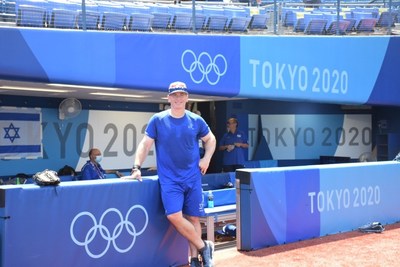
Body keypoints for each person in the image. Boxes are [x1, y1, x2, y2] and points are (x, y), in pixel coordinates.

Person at [123, 81, 216, 267]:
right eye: (174, 95)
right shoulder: (158, 120)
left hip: (192, 177)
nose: (178, 98)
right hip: (170, 180)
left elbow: (210, 139)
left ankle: (195, 260)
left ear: (187, 97)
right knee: (173, 215)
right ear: (168, 98)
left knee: (194, 218)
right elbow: (145, 144)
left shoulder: (196, 120)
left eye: (181, 95)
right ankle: (204, 246)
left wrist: (206, 159)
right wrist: (136, 167)